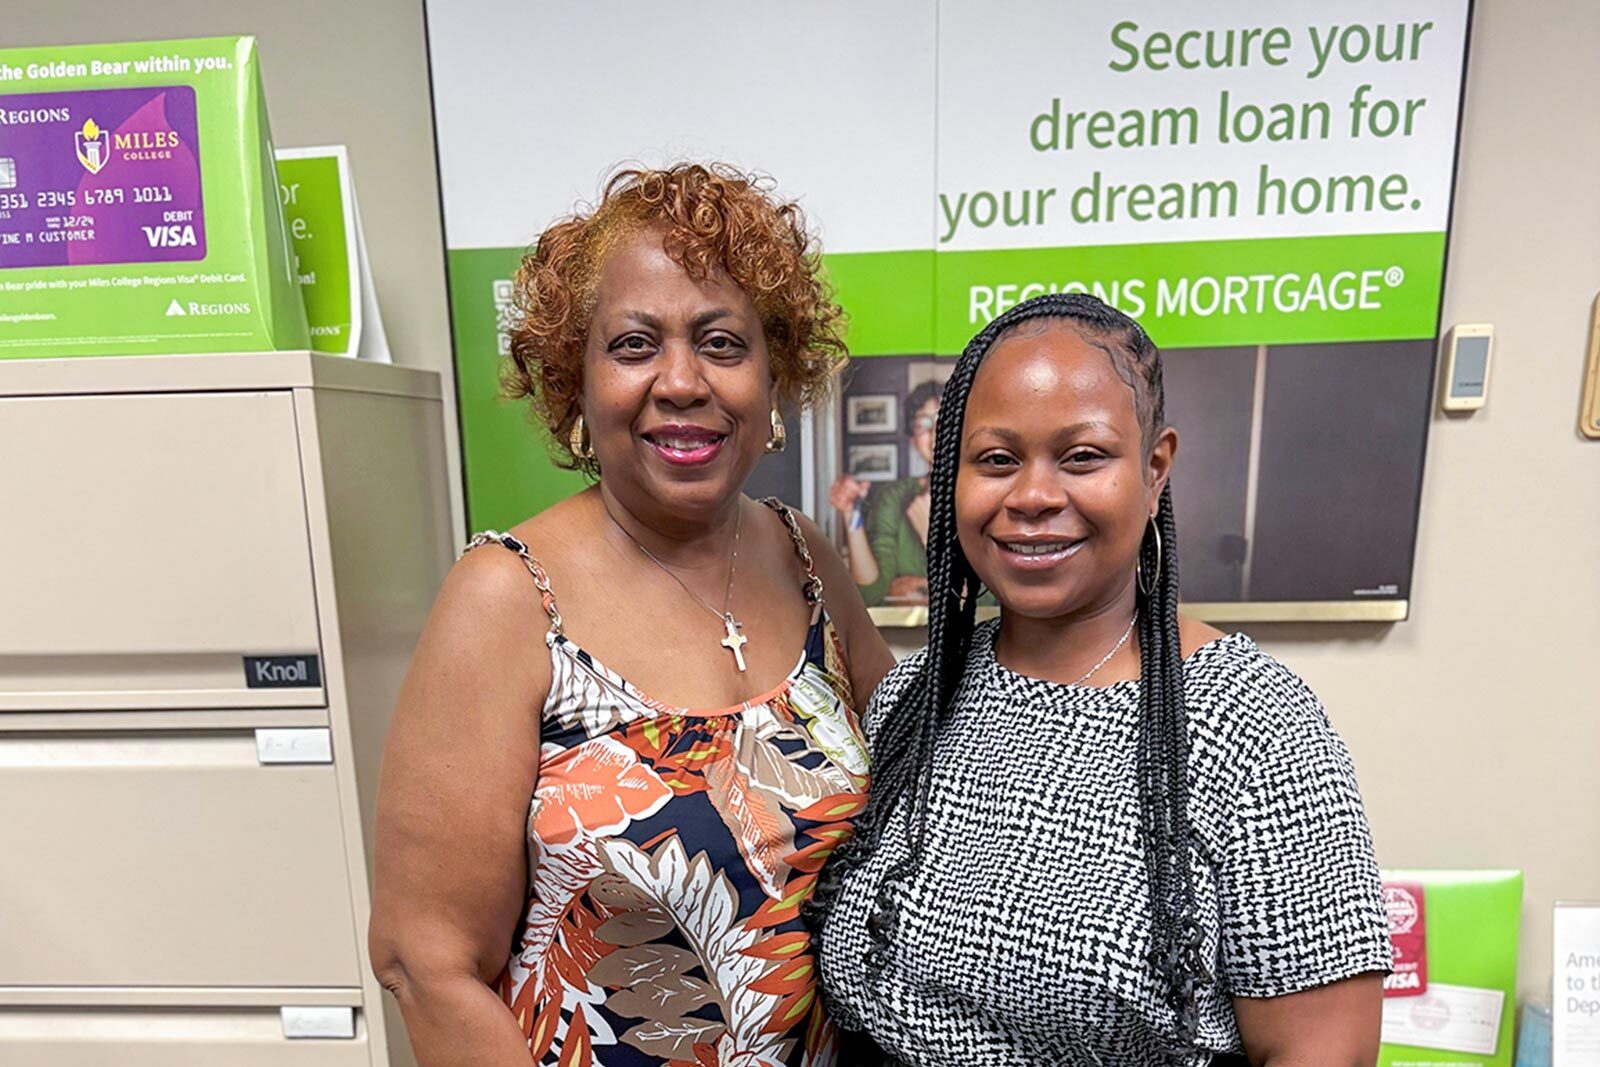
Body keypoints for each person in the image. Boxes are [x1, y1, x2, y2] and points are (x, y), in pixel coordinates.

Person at [369, 163, 895, 1067]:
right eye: (634, 344)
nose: (682, 381)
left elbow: (926, 785)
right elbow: (426, 964)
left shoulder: (804, 557)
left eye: (722, 343)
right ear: (576, 380)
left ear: (773, 377)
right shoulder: (509, 598)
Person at [809, 293, 1391, 1066]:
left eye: (1082, 456)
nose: (1033, 496)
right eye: (997, 459)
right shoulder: (914, 697)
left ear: (1154, 470)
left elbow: (1322, 1050)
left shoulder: (1253, 722)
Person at [830, 379, 942, 606]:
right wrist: (852, 517)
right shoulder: (893, 497)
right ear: (912, 437)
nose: (935, 433)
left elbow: (989, 598)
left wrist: (930, 536)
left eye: (946, 420)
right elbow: (871, 594)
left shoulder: (986, 494)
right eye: (923, 423)